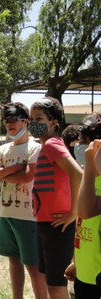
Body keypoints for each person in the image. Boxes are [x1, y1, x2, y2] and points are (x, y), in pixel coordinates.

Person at [0, 102, 47, 299]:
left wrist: (2, 174)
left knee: (33, 264)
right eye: (7, 121)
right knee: (13, 260)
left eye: (14, 120)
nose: (9, 124)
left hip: (28, 216)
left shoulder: (35, 148)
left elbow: (27, 177)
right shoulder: (3, 150)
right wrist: (12, 169)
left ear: (25, 122)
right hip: (6, 215)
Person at [29, 96, 83, 299]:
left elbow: (77, 173)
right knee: (51, 283)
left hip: (58, 224)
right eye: (31, 118)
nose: (33, 123)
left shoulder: (52, 144)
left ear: (54, 123)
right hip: (46, 223)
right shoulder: (46, 147)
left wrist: (73, 213)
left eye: (39, 119)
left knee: (56, 285)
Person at [64, 113, 101, 299]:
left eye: (84, 142)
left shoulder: (93, 180)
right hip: (85, 276)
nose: (79, 147)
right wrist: (78, 262)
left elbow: (87, 212)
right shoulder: (91, 179)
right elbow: (84, 226)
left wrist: (89, 164)